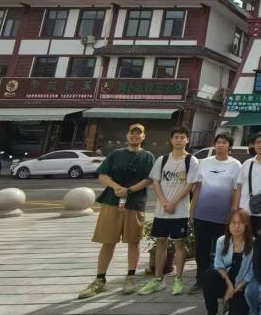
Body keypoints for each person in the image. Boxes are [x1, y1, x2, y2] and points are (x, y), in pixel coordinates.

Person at [78, 123, 155, 299]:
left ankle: (130, 277)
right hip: (112, 202)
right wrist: (117, 188)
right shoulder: (116, 154)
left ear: (143, 137)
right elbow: (103, 174)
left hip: (135, 203)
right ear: (127, 136)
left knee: (133, 241)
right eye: (132, 133)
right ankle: (100, 279)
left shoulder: (148, 156)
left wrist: (129, 190)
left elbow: (149, 179)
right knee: (108, 241)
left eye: (138, 133)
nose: (135, 136)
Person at [139, 126, 200, 296]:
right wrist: (164, 202)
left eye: (182, 137)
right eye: (176, 137)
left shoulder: (191, 161)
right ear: (171, 140)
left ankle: (178, 279)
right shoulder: (162, 159)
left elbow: (190, 184)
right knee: (161, 243)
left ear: (187, 140)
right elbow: (155, 182)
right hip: (161, 211)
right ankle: (158, 279)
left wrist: (173, 202)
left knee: (179, 245)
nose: (179, 140)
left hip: (180, 211)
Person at [189, 132, 242, 295]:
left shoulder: (236, 165)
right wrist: (192, 209)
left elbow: (237, 190)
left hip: (223, 216)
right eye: (218, 142)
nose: (220, 145)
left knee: (221, 249)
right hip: (202, 213)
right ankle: (200, 279)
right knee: (201, 249)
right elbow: (197, 187)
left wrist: (233, 212)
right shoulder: (204, 163)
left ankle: (220, 280)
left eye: (224, 142)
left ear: (229, 146)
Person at [202, 208, 254, 315]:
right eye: (233, 222)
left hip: (241, 286)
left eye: (240, 223)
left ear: (246, 225)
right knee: (209, 275)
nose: (236, 226)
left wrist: (234, 290)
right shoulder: (222, 241)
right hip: (225, 282)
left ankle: (231, 305)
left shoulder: (252, 243)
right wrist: (229, 285)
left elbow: (251, 272)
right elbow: (218, 265)